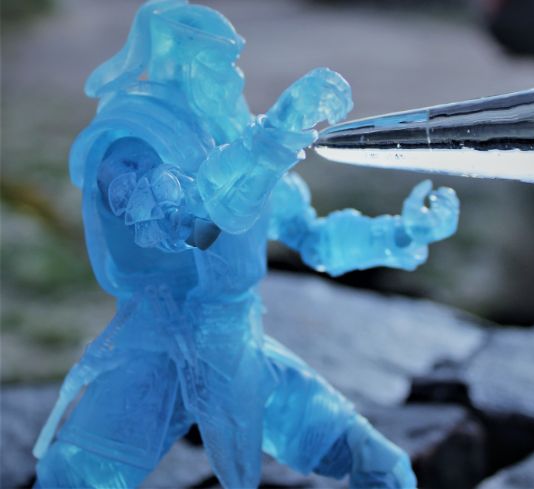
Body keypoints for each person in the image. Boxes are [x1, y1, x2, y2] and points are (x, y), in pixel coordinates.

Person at [33, 1, 459, 487]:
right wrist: (273, 139)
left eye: (233, 61)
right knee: (71, 480)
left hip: (237, 347)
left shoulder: (236, 139)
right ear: (177, 63)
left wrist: (400, 234)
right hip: (154, 352)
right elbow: (192, 227)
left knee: (380, 465)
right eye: (218, 62)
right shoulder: (128, 145)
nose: (234, 77)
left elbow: (313, 237)